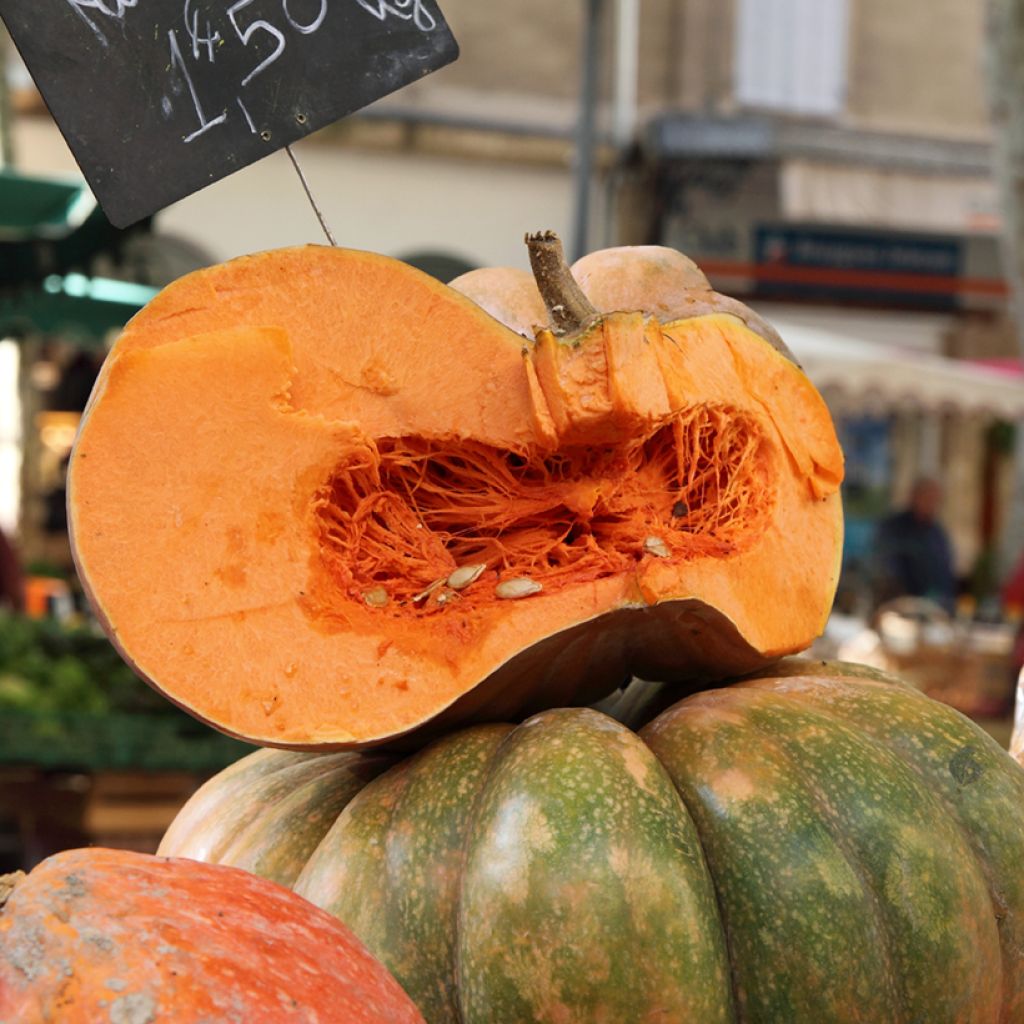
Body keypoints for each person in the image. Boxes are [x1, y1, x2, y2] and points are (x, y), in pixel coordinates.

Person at [872, 477, 957, 613]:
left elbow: (945, 575)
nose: (930, 504)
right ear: (914, 497)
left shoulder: (937, 534)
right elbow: (886, 566)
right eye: (926, 498)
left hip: (930, 610)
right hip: (896, 607)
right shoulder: (893, 527)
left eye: (934, 500)